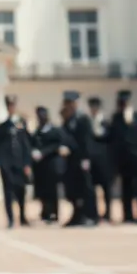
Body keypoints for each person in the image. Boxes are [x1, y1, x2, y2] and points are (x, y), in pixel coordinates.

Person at [0, 95, 32, 228]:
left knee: (21, 190)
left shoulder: (21, 124)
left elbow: (26, 145)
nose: (11, 107)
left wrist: (27, 163)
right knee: (8, 192)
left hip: (20, 162)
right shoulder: (1, 127)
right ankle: (10, 219)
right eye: (9, 105)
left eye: (13, 105)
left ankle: (22, 216)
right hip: (6, 163)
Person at [109, 89, 137, 224]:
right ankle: (128, 215)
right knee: (126, 187)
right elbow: (112, 139)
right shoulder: (116, 118)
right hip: (123, 158)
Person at [59, 90, 94, 227]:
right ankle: (77, 215)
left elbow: (86, 141)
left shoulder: (83, 119)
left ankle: (90, 215)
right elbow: (64, 137)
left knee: (85, 188)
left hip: (81, 158)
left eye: (71, 103)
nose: (68, 106)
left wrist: (86, 158)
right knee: (72, 189)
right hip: (71, 160)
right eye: (67, 103)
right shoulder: (67, 120)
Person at [31, 106, 64, 223]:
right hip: (40, 166)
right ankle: (45, 211)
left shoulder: (54, 131)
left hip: (51, 163)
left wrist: (43, 152)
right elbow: (33, 143)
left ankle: (54, 213)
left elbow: (57, 144)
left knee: (52, 190)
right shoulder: (38, 131)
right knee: (42, 189)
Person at [86, 96, 113, 223]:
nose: (94, 109)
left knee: (106, 188)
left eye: (95, 107)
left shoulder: (106, 122)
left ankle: (107, 213)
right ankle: (94, 213)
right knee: (92, 188)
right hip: (91, 159)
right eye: (92, 107)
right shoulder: (87, 122)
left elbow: (110, 141)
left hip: (104, 160)